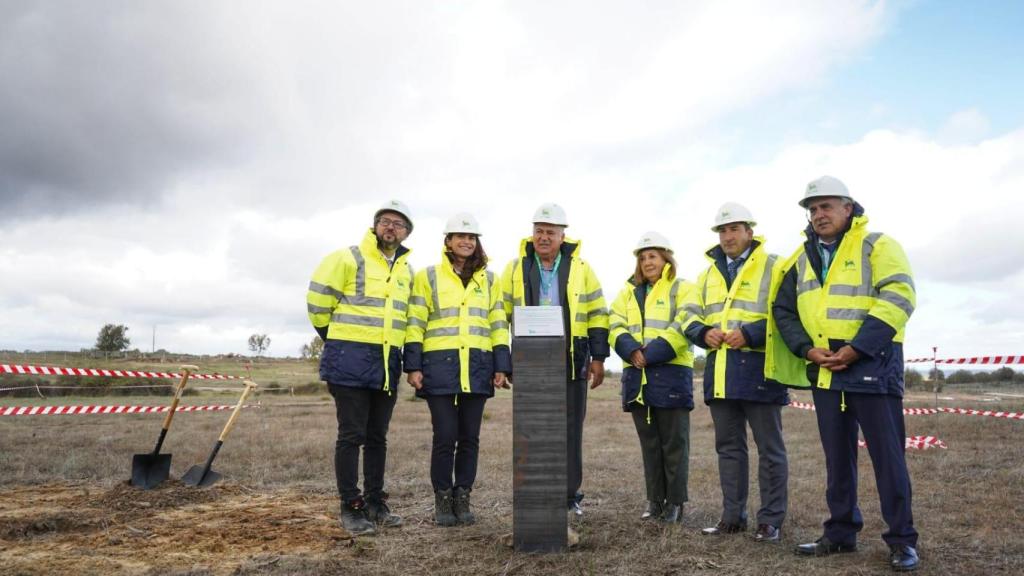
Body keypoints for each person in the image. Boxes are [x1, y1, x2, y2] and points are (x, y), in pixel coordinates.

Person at [768, 176, 919, 572]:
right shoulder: (799, 260)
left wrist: (857, 348)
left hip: (872, 366)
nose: (819, 214)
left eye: (827, 206)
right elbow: (782, 311)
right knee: (837, 459)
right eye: (813, 209)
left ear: (848, 208)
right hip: (825, 371)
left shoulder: (878, 245)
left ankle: (902, 540)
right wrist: (806, 349)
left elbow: (899, 296)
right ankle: (840, 533)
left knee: (888, 459)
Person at [306, 200, 415, 536]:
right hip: (350, 362)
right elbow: (317, 304)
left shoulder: (405, 271)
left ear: (407, 232)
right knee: (351, 435)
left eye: (399, 224)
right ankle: (351, 506)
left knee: (377, 438)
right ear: (375, 225)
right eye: (386, 221)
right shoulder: (347, 258)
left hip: (385, 364)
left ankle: (374, 502)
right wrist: (337, 341)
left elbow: (405, 319)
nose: (391, 227)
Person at [682, 203, 789, 542]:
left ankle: (769, 521)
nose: (727, 236)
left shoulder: (775, 266)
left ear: (750, 232)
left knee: (769, 448)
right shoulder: (707, 274)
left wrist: (753, 333)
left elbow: (789, 312)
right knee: (728, 448)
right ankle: (732, 517)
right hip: (722, 371)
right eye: (722, 230)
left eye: (734, 229)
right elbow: (687, 314)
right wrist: (702, 332)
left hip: (760, 369)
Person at [500, 202, 610, 516]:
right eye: (539, 231)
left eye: (550, 232)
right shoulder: (515, 268)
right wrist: (503, 360)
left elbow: (598, 314)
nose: (544, 237)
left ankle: (568, 496)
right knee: (532, 429)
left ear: (563, 236)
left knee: (570, 429)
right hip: (529, 358)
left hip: (571, 357)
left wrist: (599, 357)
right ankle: (534, 494)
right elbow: (499, 314)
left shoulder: (582, 269)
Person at [404, 213, 511, 527]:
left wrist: (500, 365)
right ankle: (442, 499)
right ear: (447, 241)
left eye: (472, 237)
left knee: (469, 438)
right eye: (460, 236)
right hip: (439, 367)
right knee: (445, 436)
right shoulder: (429, 276)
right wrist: (413, 365)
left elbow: (497, 324)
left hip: (477, 367)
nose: (467, 241)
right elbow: (415, 323)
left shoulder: (490, 280)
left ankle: (463, 498)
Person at [608, 231, 697, 524]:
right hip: (637, 377)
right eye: (643, 257)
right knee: (650, 444)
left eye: (653, 256)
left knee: (674, 444)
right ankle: (654, 500)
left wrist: (652, 352)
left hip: (670, 374)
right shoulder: (627, 293)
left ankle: (675, 503)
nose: (648, 262)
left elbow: (685, 323)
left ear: (666, 259)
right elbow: (615, 324)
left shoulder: (683, 288)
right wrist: (631, 350)